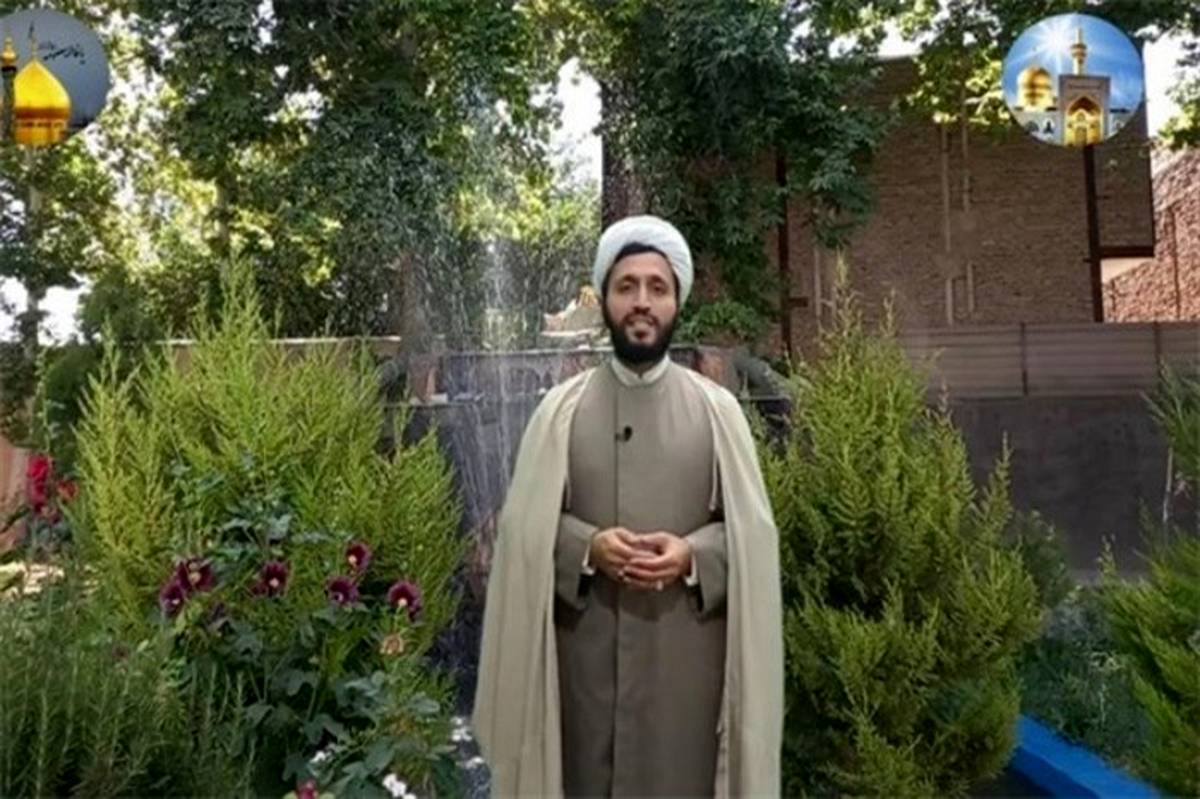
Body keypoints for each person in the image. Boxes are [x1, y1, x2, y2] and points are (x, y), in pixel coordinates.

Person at [473, 215, 782, 797]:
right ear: (606, 300)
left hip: (687, 680)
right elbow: (522, 536)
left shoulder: (719, 413)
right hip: (582, 681)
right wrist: (587, 547)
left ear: (676, 302)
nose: (642, 301)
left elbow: (753, 540)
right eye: (627, 286)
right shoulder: (559, 412)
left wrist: (692, 554)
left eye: (657, 287)